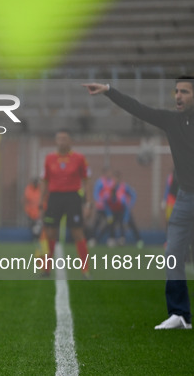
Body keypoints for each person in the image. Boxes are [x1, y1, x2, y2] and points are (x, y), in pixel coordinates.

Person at [83, 77, 194, 330]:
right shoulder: (171, 121)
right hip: (185, 198)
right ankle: (180, 315)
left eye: (185, 92)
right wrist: (109, 91)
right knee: (173, 254)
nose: (178, 96)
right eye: (176, 91)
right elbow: (138, 109)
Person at [39, 129, 92, 278]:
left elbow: (87, 180)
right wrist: (40, 202)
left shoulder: (79, 158)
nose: (62, 141)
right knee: (50, 232)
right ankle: (46, 269)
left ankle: (85, 269)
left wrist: (88, 203)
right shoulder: (49, 158)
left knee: (77, 232)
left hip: (72, 197)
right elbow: (44, 180)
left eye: (65, 138)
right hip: (54, 197)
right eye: (59, 139)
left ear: (70, 141)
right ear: (56, 141)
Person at [103, 171, 143, 248]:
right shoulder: (109, 189)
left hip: (123, 210)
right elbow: (106, 202)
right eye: (113, 179)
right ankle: (112, 239)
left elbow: (133, 195)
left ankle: (138, 240)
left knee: (129, 223)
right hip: (113, 210)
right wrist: (109, 214)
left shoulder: (123, 187)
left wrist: (130, 205)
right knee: (111, 223)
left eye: (116, 178)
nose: (114, 180)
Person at [88, 166, 114, 247]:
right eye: (109, 172)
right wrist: (99, 201)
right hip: (101, 207)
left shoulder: (111, 182)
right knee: (97, 223)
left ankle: (110, 239)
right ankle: (92, 239)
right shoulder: (100, 182)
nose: (110, 174)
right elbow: (96, 193)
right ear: (105, 173)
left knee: (110, 223)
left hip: (108, 208)